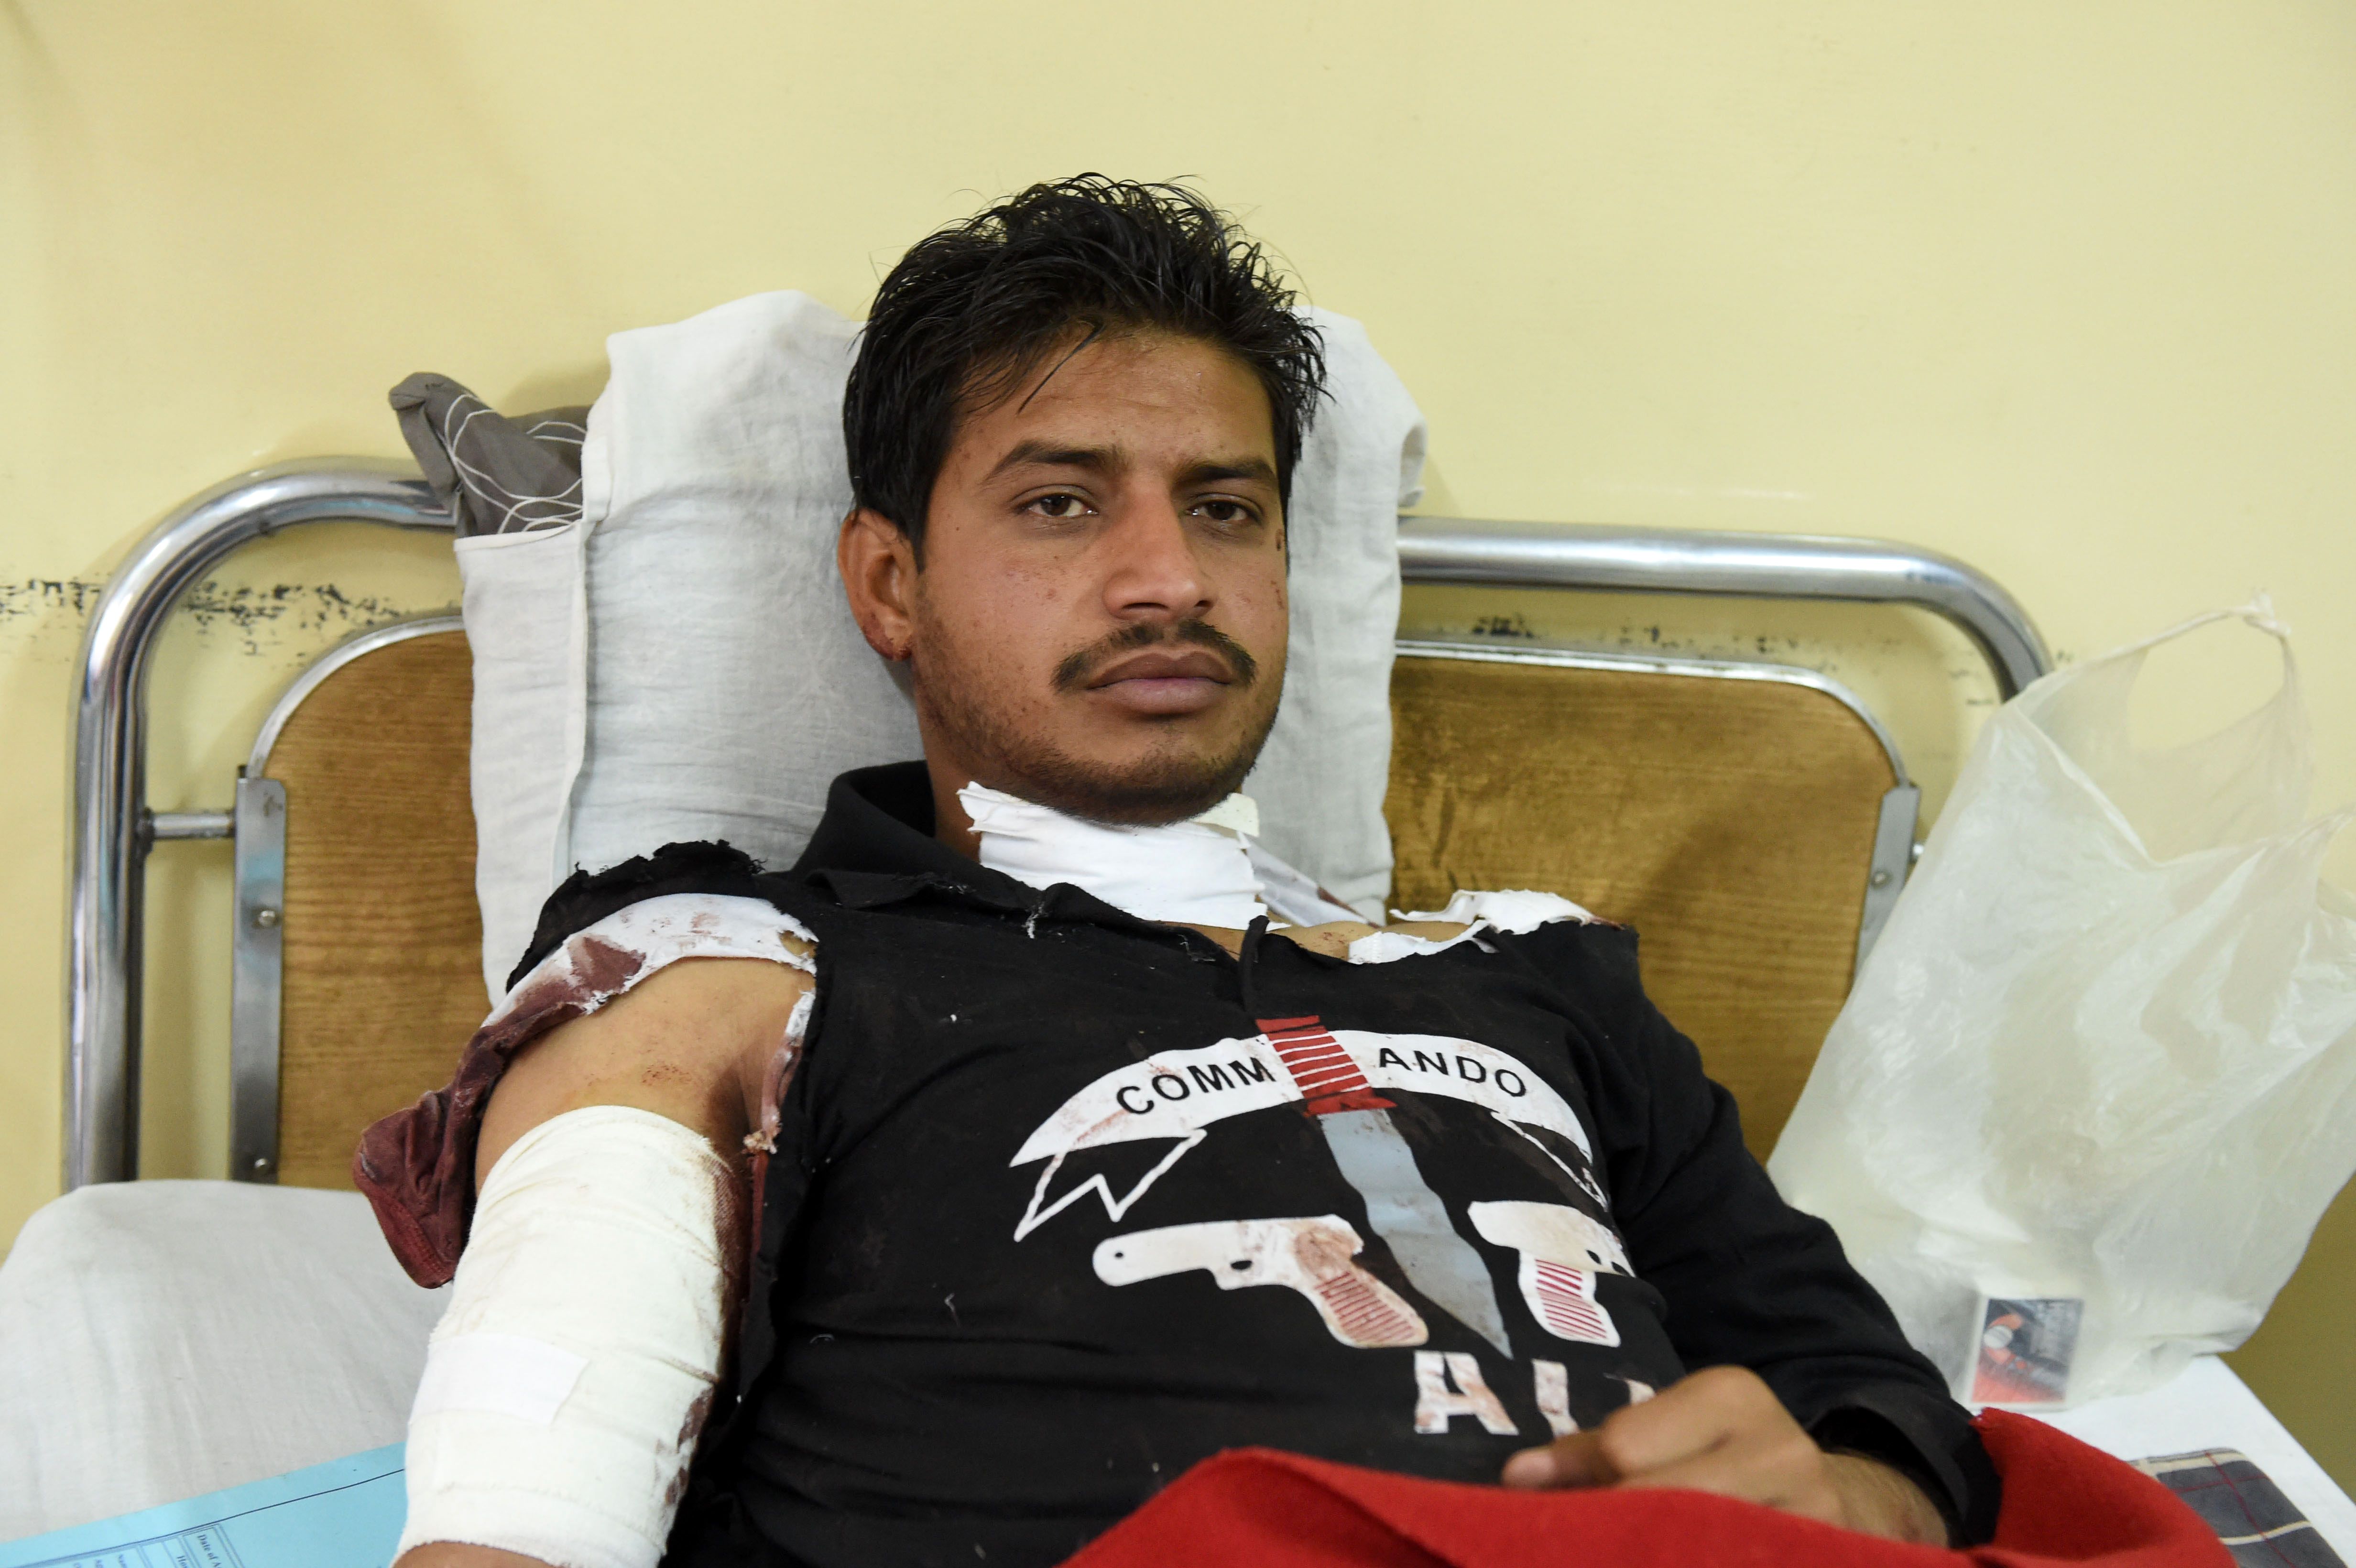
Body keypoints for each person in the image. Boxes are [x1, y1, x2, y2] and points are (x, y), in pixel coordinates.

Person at [365, 176, 1997, 1568]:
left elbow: (1874, 1401)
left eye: (1227, 509)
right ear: (888, 584)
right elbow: (528, 1498)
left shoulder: (1532, 980)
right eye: (1062, 503)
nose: (1169, 580)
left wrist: (1848, 1498)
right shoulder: (739, 957)